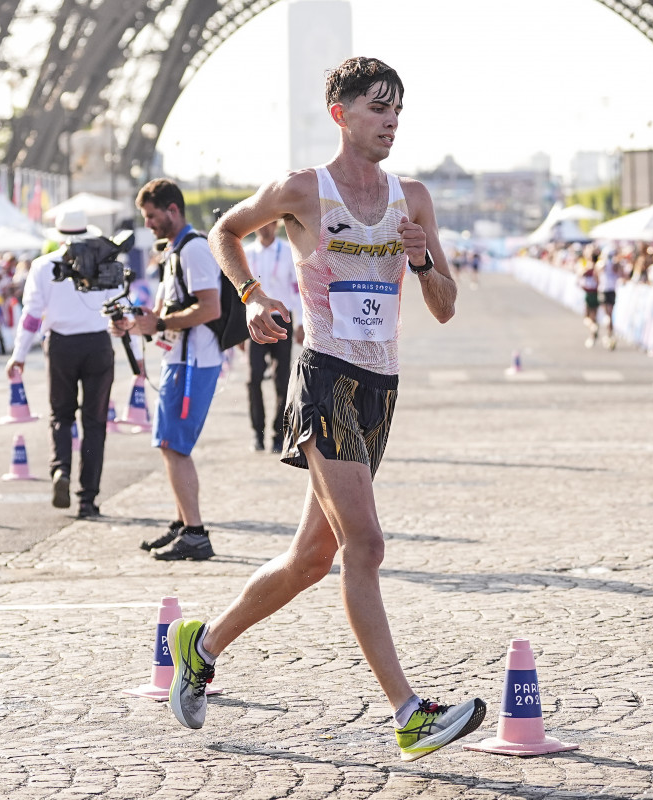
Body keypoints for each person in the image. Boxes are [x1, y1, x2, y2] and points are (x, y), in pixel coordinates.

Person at [163, 56, 486, 762]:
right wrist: (251, 298)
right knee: (364, 546)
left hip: (382, 387)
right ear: (340, 114)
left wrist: (425, 262)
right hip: (325, 376)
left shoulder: (415, 199)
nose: (390, 120)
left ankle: (202, 644)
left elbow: (443, 307)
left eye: (397, 108)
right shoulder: (303, 189)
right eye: (376, 108)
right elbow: (225, 230)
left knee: (311, 557)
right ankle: (409, 713)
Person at [113, 178, 224, 560]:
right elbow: (163, 313)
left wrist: (158, 325)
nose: (148, 224)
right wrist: (132, 322)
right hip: (179, 358)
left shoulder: (193, 249)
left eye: (151, 216)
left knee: (175, 447)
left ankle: (195, 533)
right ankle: (182, 525)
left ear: (172, 210)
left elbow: (211, 308)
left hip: (194, 362)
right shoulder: (174, 250)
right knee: (167, 444)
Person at [6, 210, 116, 518]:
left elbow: (30, 315)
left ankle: (61, 470)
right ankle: (88, 498)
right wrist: (136, 355)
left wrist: (19, 354)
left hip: (61, 345)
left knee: (61, 416)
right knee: (94, 423)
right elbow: (119, 311)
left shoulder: (43, 266)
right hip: (97, 343)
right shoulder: (104, 265)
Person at [244, 220, 303, 453]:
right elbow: (242, 293)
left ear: (276, 225)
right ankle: (256, 432)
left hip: (282, 319)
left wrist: (300, 323)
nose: (264, 229)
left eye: (268, 224)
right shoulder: (247, 253)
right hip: (256, 319)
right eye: (259, 225)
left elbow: (297, 289)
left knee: (282, 379)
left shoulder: (287, 252)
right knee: (253, 377)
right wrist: (240, 332)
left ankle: (279, 434)